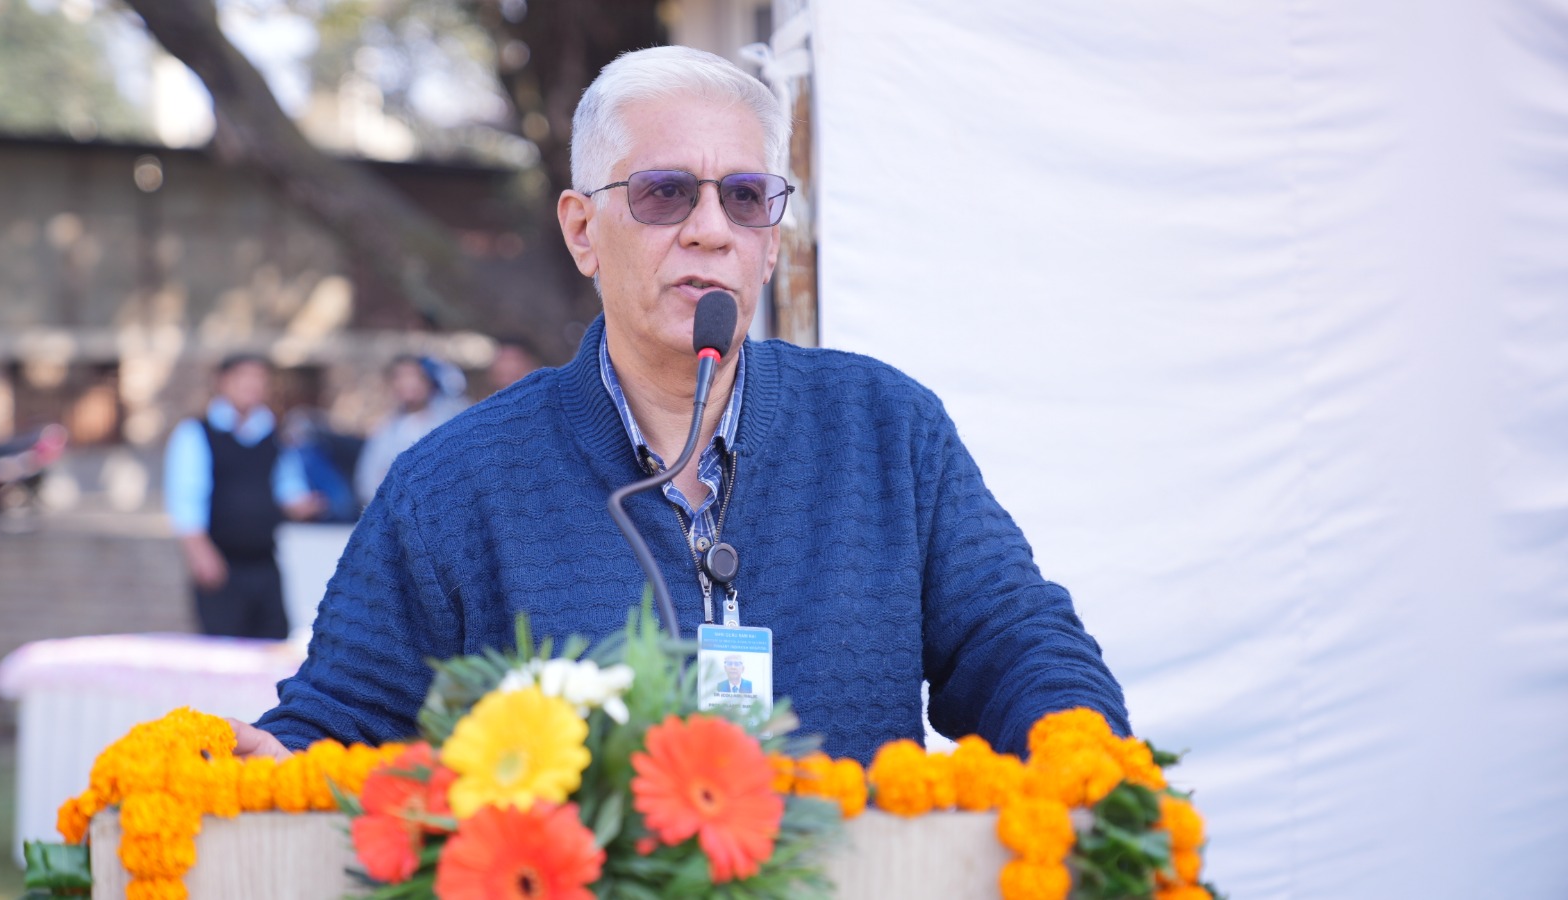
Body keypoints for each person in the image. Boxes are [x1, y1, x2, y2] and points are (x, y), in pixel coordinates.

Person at [236, 46, 1128, 763]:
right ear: (582, 230)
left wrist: (1083, 754)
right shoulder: (452, 483)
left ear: (770, 243)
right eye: (665, 193)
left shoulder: (888, 430)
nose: (710, 229)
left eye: (745, 198)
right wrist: (265, 764)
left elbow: (1018, 645)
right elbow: (340, 726)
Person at [163, 354, 325, 639]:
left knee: (272, 645)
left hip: (266, 562)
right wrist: (200, 552)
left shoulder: (276, 435)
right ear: (222, 382)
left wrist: (305, 505)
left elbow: (288, 487)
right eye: (244, 378)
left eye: (260, 379)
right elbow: (186, 498)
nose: (252, 386)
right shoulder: (196, 433)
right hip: (222, 563)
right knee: (224, 649)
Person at [353, 354, 469, 506]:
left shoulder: (450, 421)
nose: (406, 383)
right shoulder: (385, 429)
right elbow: (366, 481)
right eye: (399, 377)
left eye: (413, 376)